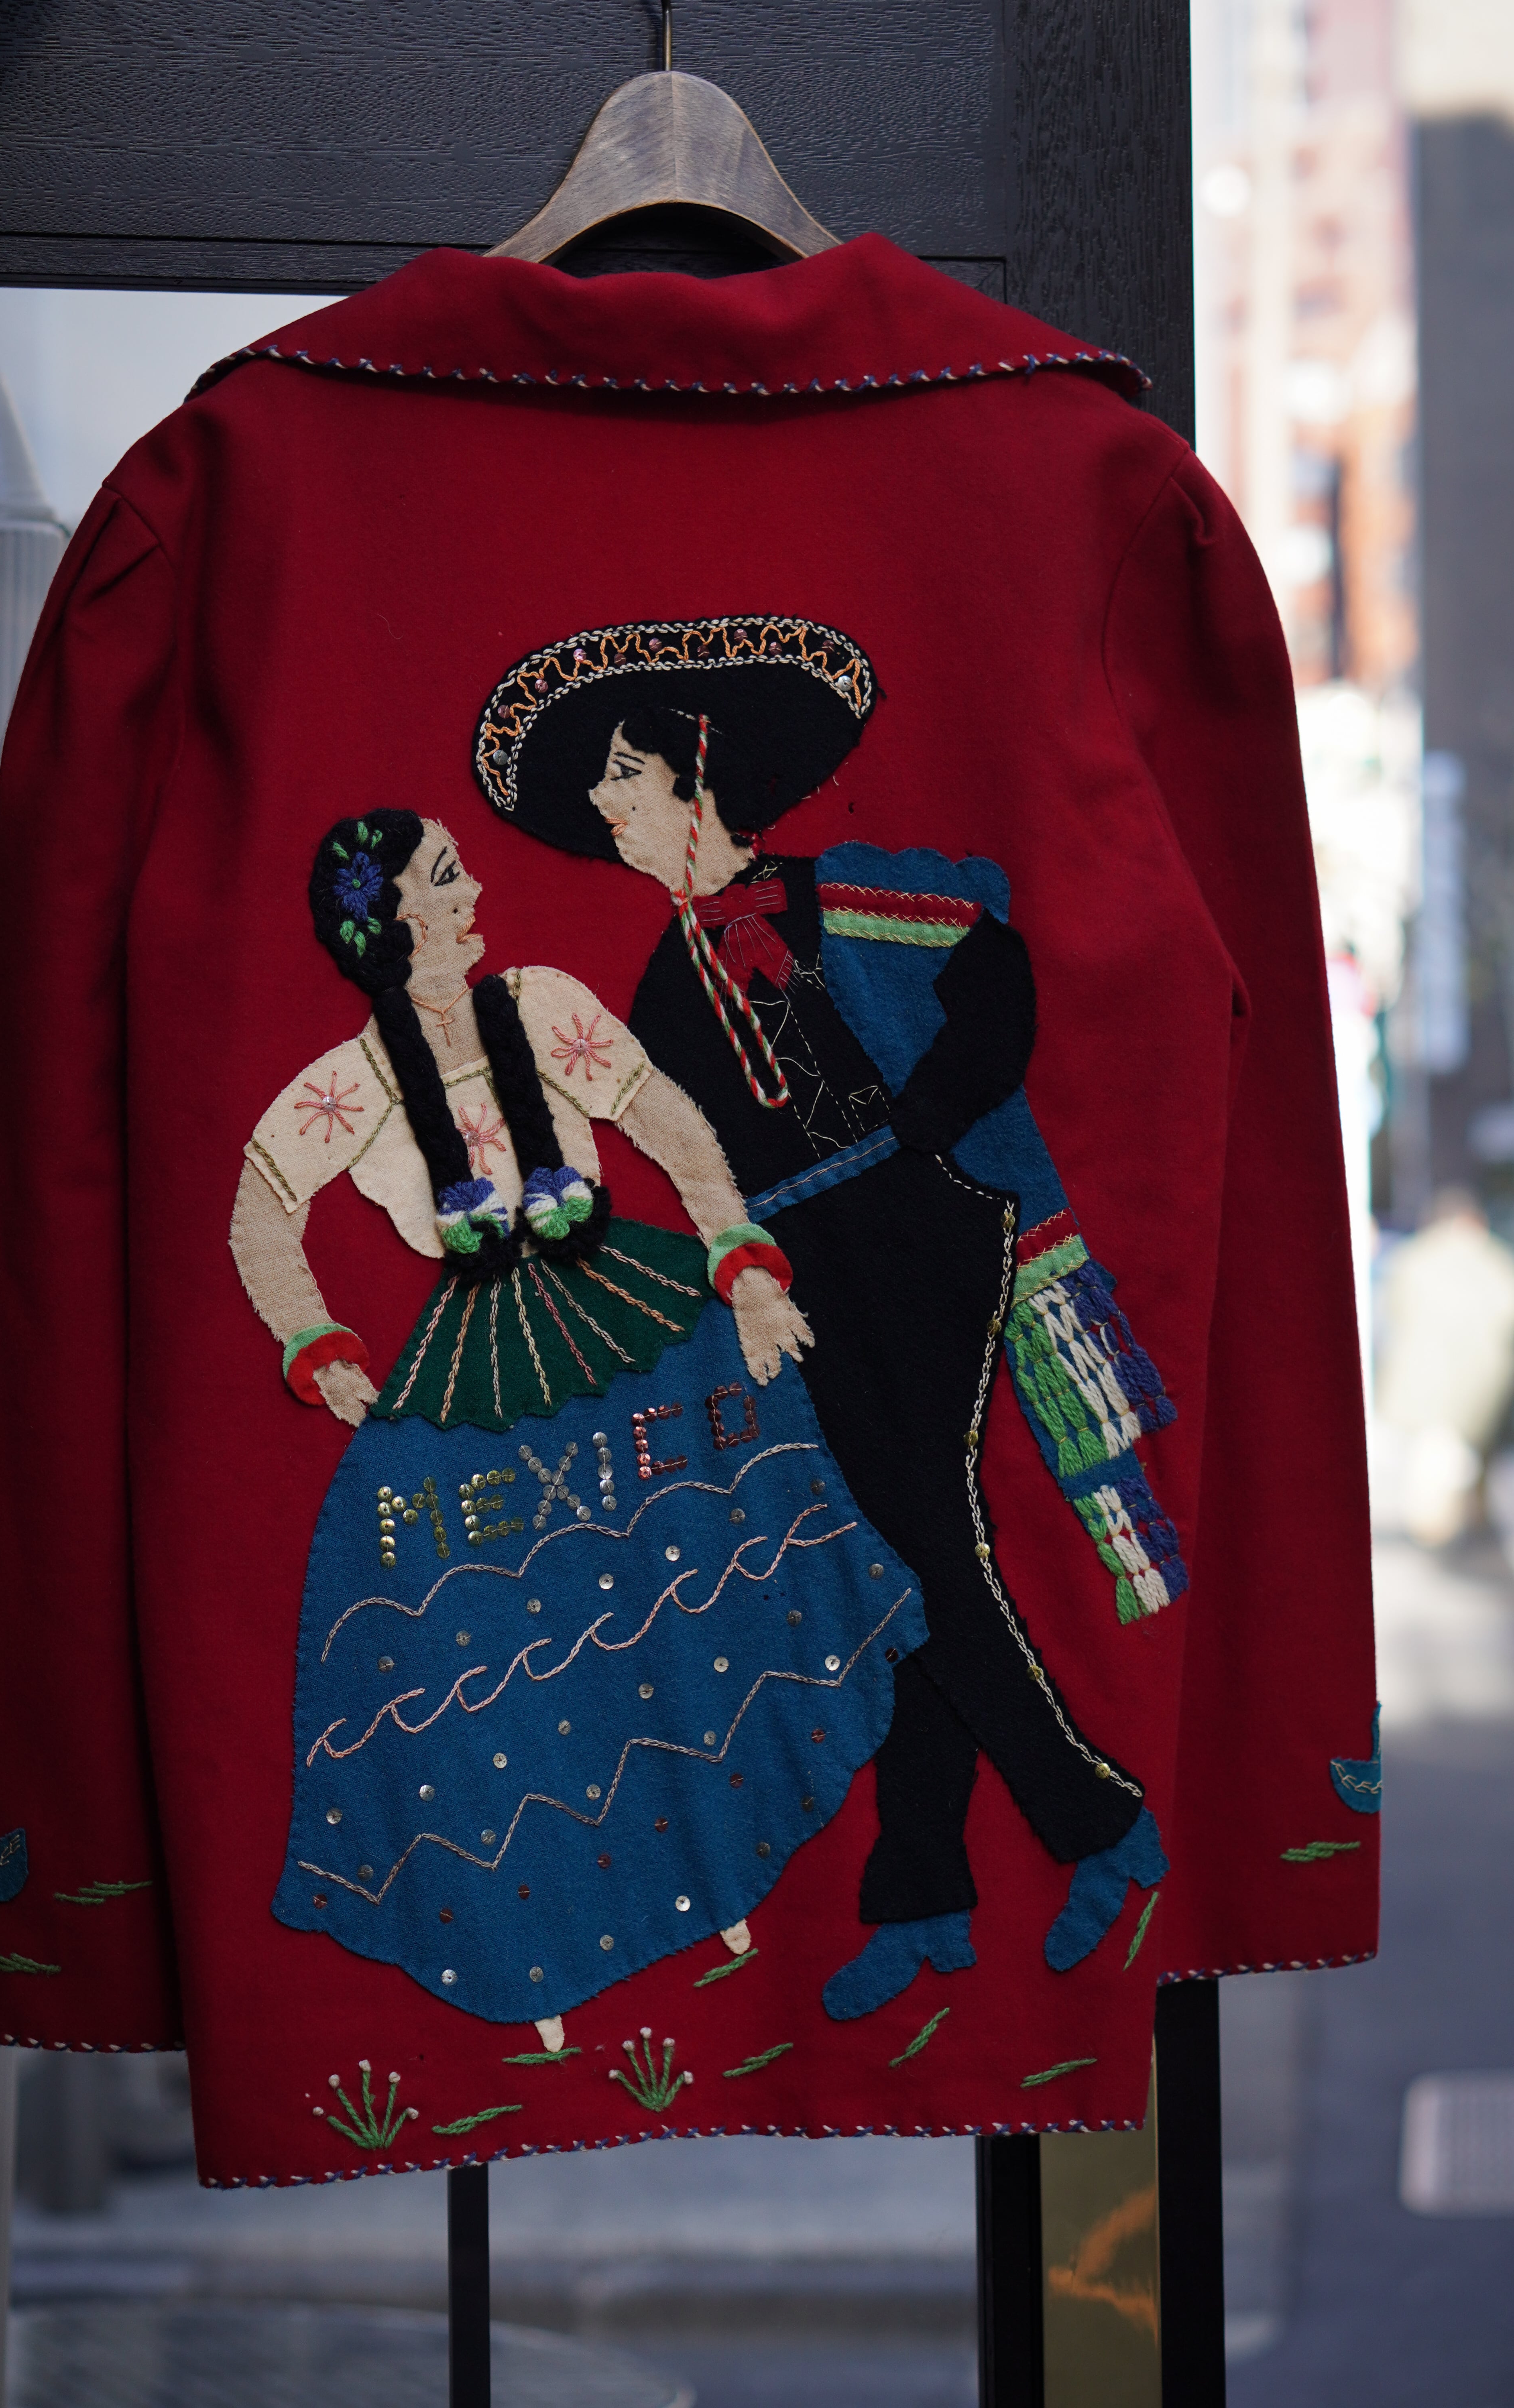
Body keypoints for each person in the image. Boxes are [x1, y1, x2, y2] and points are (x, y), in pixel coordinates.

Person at [471, 615, 1167, 2018]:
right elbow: (680, 1149)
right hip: (797, 1270)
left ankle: (1100, 1826)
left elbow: (993, 967)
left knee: (913, 1543)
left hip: (909, 1233)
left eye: (622, 775)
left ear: (696, 769)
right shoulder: (662, 978)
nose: (606, 806)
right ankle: (926, 1894)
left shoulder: (832, 892)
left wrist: (926, 1126)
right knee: (888, 1555)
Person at [230, 809, 924, 2044]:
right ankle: (541, 1958)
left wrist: (737, 1255)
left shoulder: (543, 1002)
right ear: (394, 920)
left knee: (691, 1580)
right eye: (448, 877)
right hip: (481, 1359)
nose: (475, 889)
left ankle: (730, 1883)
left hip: (626, 1307)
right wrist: (315, 1342)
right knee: (499, 1631)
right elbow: (258, 1210)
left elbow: (666, 1120)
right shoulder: (353, 1083)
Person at [1376, 1187, 1514, 1545]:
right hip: (1481, 1381)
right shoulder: (1496, 1262)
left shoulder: (1413, 1258)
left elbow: (1394, 1309)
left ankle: (1443, 1533)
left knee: (1435, 1463)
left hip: (1422, 1379)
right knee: (1458, 1460)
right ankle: (1460, 1527)